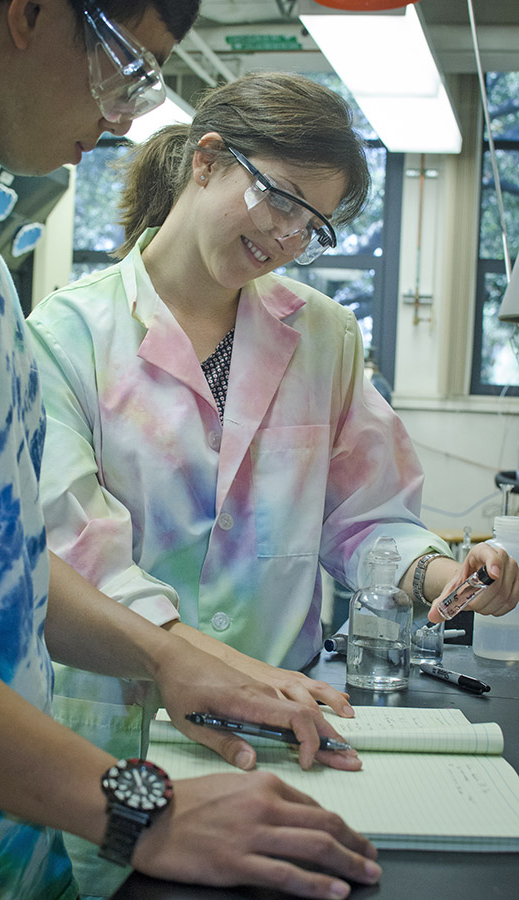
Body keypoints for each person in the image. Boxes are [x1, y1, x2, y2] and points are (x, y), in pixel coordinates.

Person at [0, 4, 384, 900]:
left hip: (12, 839)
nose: (134, 116)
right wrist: (135, 803)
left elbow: (3, 562)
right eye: (131, 60)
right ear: (30, 14)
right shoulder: (67, 323)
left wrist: (177, 658)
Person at [27, 70, 519, 761]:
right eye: (280, 198)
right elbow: (78, 559)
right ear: (207, 159)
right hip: (117, 721)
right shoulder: (65, 335)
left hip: (285, 721)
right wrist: (230, 672)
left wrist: (449, 577)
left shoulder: (323, 336)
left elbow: (367, 520)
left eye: (312, 226)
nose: (288, 236)